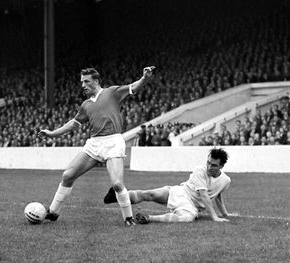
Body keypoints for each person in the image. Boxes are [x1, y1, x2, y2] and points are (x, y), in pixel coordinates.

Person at [38, 66, 156, 226]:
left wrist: (145, 78)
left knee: (117, 184)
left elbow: (134, 87)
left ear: (96, 81)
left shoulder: (112, 93)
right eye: (81, 82)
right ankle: (53, 213)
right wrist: (52, 133)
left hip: (113, 142)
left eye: (86, 81)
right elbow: (73, 124)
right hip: (94, 144)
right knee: (67, 176)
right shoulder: (86, 105)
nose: (83, 85)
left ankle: (128, 219)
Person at [104, 148, 235, 223]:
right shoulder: (200, 170)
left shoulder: (226, 180)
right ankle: (119, 195)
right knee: (149, 194)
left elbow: (218, 195)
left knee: (187, 218)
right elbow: (205, 195)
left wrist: (225, 213)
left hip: (190, 206)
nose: (209, 167)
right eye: (208, 162)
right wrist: (215, 217)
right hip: (181, 192)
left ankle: (149, 218)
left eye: (214, 165)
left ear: (222, 166)